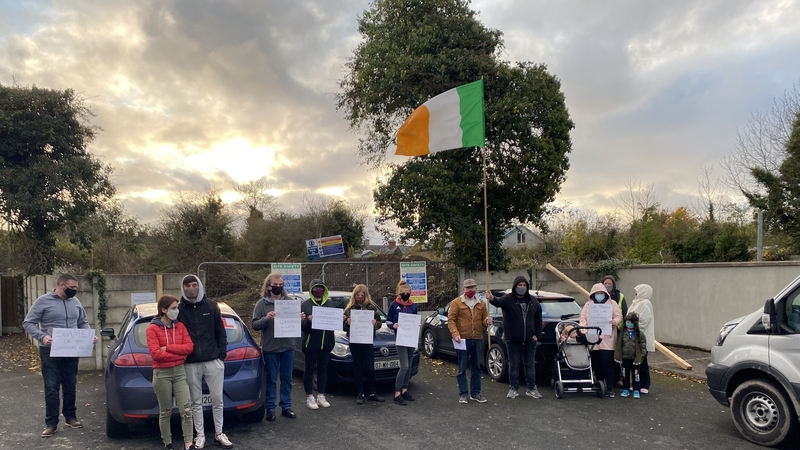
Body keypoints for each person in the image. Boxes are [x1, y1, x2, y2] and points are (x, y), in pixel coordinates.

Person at [23, 274, 98, 438]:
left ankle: (71, 417)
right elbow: (28, 323)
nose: (75, 291)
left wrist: (88, 336)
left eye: (76, 288)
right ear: (61, 285)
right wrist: (42, 336)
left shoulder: (75, 302)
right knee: (51, 387)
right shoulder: (43, 301)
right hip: (49, 350)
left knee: (70, 384)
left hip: (71, 349)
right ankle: (51, 423)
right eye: (72, 288)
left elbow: (83, 322)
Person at [177, 275, 232, 449]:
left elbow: (220, 332)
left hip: (213, 360)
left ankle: (219, 433)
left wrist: (221, 356)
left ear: (199, 286)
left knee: (217, 399)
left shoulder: (212, 306)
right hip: (190, 363)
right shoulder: (179, 310)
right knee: (195, 401)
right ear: (182, 288)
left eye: (194, 285)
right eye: (187, 286)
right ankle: (199, 435)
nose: (191, 288)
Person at [252, 272, 304, 421]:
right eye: (276, 285)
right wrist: (266, 319)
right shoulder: (261, 304)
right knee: (271, 380)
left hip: (288, 346)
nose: (278, 287)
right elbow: (255, 324)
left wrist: (300, 319)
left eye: (281, 285)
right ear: (269, 286)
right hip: (271, 348)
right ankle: (270, 409)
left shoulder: (290, 303)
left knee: (287, 379)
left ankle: (286, 406)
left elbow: (296, 325)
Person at [146, 295, 196, 450]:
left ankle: (188, 443)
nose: (177, 311)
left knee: (186, 409)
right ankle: (168, 442)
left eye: (177, 307)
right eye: (173, 308)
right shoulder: (152, 329)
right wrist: (180, 355)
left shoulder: (180, 326)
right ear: (164, 309)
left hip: (179, 372)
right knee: (166, 411)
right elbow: (156, 354)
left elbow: (189, 347)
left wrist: (168, 348)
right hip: (162, 373)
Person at [487, 276, 543, 400]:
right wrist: (491, 298)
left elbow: (538, 318)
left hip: (530, 340)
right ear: (515, 286)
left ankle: (532, 388)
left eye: (524, 285)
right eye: (520, 285)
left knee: (530, 365)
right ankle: (513, 388)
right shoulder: (508, 299)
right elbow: (498, 302)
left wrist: (537, 334)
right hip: (513, 340)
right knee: (514, 365)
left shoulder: (533, 301)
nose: (522, 287)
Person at [448, 278, 492, 404]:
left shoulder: (482, 304)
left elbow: (484, 320)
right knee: (462, 368)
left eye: (472, 287)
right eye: (468, 288)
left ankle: (475, 393)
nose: (470, 290)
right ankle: (463, 394)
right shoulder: (456, 303)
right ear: (464, 289)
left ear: (476, 288)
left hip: (477, 338)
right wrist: (455, 334)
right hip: (462, 339)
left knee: (476, 367)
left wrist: (487, 321)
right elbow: (451, 320)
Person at [343, 284, 385, 405]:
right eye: (358, 295)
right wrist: (347, 322)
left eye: (362, 295)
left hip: (367, 341)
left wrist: (375, 323)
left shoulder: (372, 308)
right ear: (354, 296)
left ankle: (372, 393)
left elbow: (380, 323)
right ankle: (360, 393)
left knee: (370, 368)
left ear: (366, 295)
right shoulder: (349, 309)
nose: (360, 297)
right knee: (358, 367)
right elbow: (343, 327)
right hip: (355, 341)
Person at [580, 283, 623, 397]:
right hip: (593, 339)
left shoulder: (612, 304)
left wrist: (614, 321)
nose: (599, 295)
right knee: (596, 363)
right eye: (597, 293)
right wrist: (585, 330)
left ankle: (610, 387)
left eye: (601, 293)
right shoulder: (588, 305)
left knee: (607, 362)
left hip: (608, 338)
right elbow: (583, 319)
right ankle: (599, 385)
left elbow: (619, 316)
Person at [301, 279, 338, 410]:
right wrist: (308, 321)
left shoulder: (330, 304)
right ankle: (310, 397)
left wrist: (341, 319)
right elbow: (302, 327)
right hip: (311, 344)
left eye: (321, 288)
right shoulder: (305, 305)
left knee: (323, 370)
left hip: (326, 343)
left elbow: (335, 323)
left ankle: (321, 395)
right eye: (316, 288)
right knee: (310, 370)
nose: (318, 290)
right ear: (311, 290)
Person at [385, 279, 418, 405]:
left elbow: (415, 319)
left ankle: (405, 389)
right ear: (399, 293)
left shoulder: (413, 306)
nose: (405, 294)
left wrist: (417, 325)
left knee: (409, 365)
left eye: (407, 293)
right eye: (403, 293)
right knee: (404, 366)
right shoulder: (394, 305)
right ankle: (397, 392)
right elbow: (388, 320)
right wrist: (393, 325)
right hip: (400, 339)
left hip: (411, 338)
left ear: (410, 293)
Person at [627, 283, 655, 394]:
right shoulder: (635, 303)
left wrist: (636, 332)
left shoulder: (645, 303)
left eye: (637, 291)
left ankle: (644, 384)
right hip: (632, 336)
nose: (636, 293)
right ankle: (636, 384)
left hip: (641, 338)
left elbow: (643, 321)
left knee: (642, 362)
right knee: (634, 363)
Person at [614, 312, 647, 399]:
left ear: (634, 323)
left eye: (631, 322)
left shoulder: (639, 334)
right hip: (625, 358)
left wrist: (641, 356)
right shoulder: (623, 333)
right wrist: (618, 355)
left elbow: (643, 346)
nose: (629, 324)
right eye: (627, 322)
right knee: (625, 375)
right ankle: (625, 389)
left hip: (635, 359)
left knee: (636, 375)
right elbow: (618, 345)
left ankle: (636, 389)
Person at [602, 275, 627, 387]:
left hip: (617, 329)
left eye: (609, 283)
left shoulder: (620, 296)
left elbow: (624, 313)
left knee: (616, 356)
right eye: (605, 284)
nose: (607, 285)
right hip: (603, 331)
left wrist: (620, 325)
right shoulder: (598, 296)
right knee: (603, 357)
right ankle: (601, 378)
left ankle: (617, 378)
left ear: (614, 284)